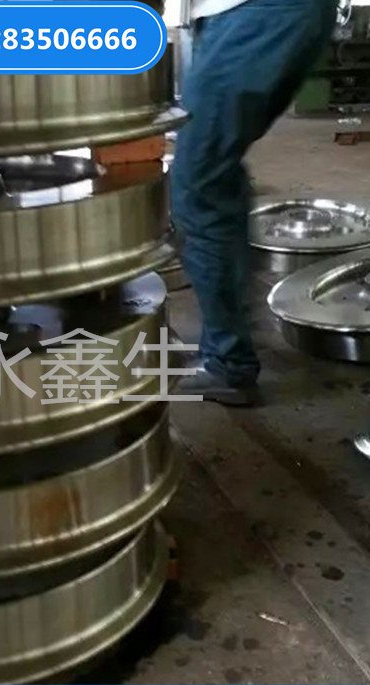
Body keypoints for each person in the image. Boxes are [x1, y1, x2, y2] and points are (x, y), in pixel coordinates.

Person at [172, 0, 337, 405]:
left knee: (199, 183)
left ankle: (227, 362)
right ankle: (226, 345)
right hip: (249, 13)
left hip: (257, 10)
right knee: (214, 175)